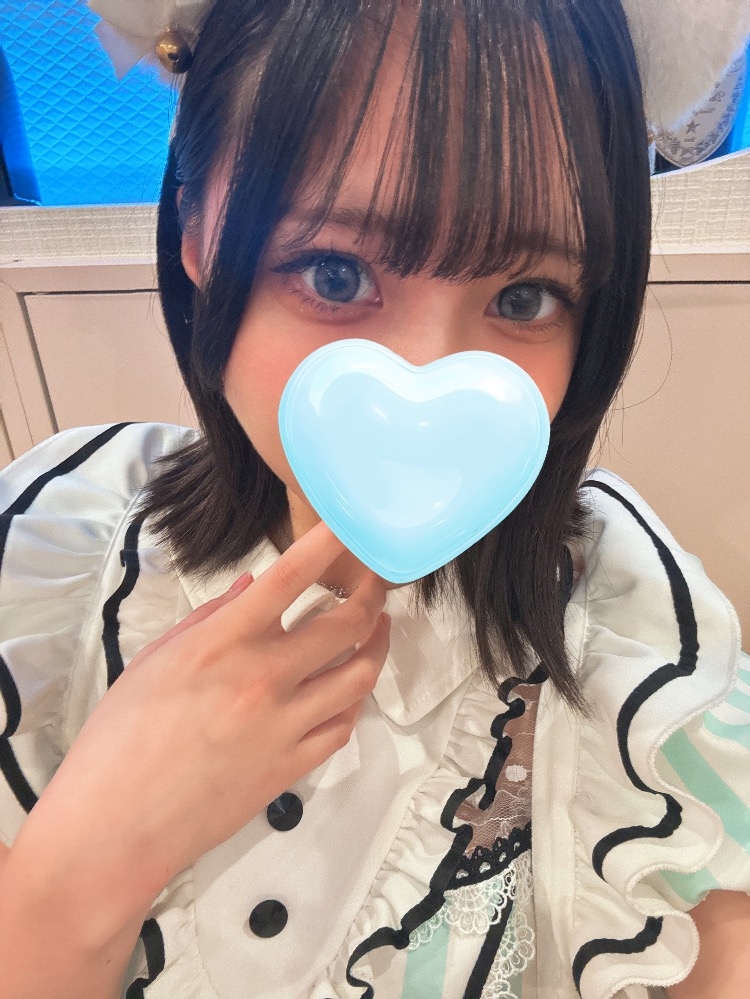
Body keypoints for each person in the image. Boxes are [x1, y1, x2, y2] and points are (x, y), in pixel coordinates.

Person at [0, 1, 748, 997]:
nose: (423, 383)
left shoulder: (638, 649)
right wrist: (83, 868)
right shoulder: (51, 553)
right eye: (334, 271)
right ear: (198, 233)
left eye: (523, 298)